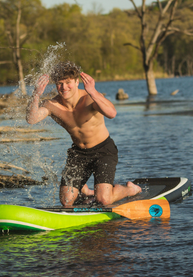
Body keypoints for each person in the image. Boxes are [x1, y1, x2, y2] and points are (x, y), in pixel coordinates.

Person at [26, 61, 142, 207]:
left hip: (103, 151)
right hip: (78, 154)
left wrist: (93, 91)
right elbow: (31, 119)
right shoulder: (52, 105)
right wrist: (36, 94)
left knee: (104, 200)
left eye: (68, 83)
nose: (64, 87)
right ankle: (86, 191)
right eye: (60, 84)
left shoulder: (89, 98)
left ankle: (129, 189)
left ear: (76, 82)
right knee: (66, 201)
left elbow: (112, 113)